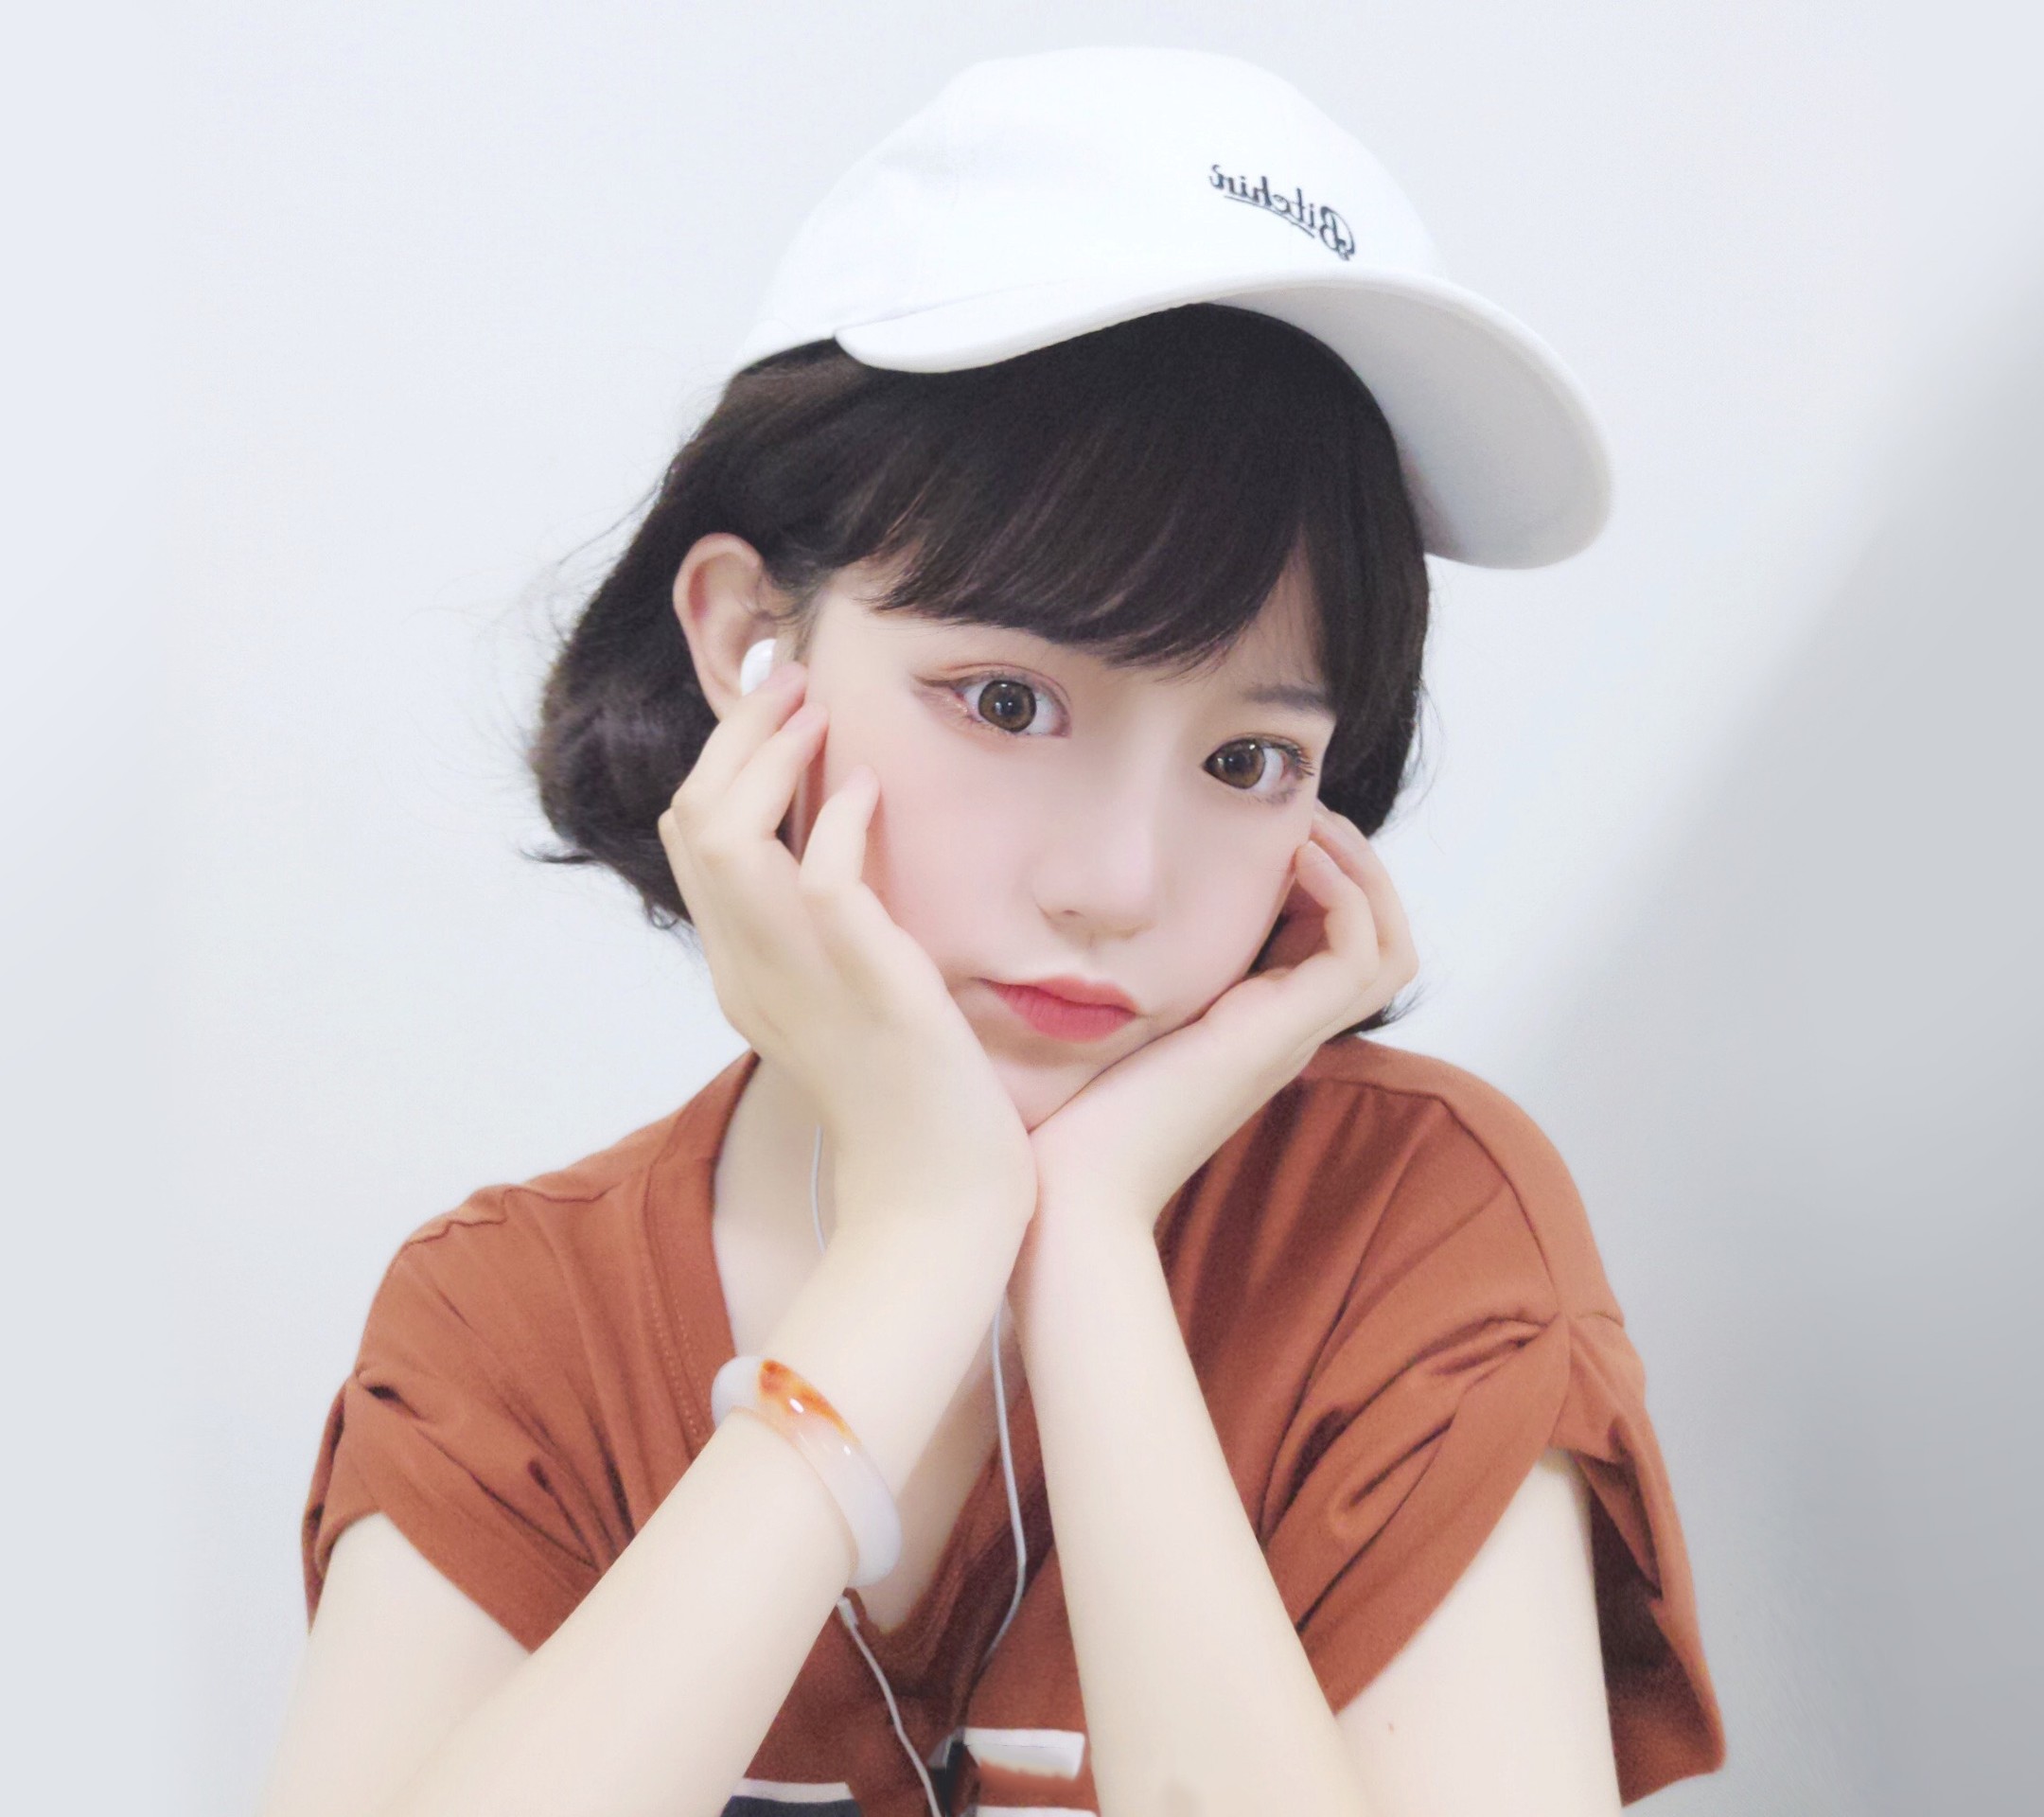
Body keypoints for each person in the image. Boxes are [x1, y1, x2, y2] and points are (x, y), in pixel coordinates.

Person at [259, 46, 1726, 1817]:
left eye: (1247, 759)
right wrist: (923, 1243)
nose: (1118, 881)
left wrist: (1088, 1242)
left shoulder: (1398, 1241)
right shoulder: (520, 1323)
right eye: (1009, 702)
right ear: (748, 645)